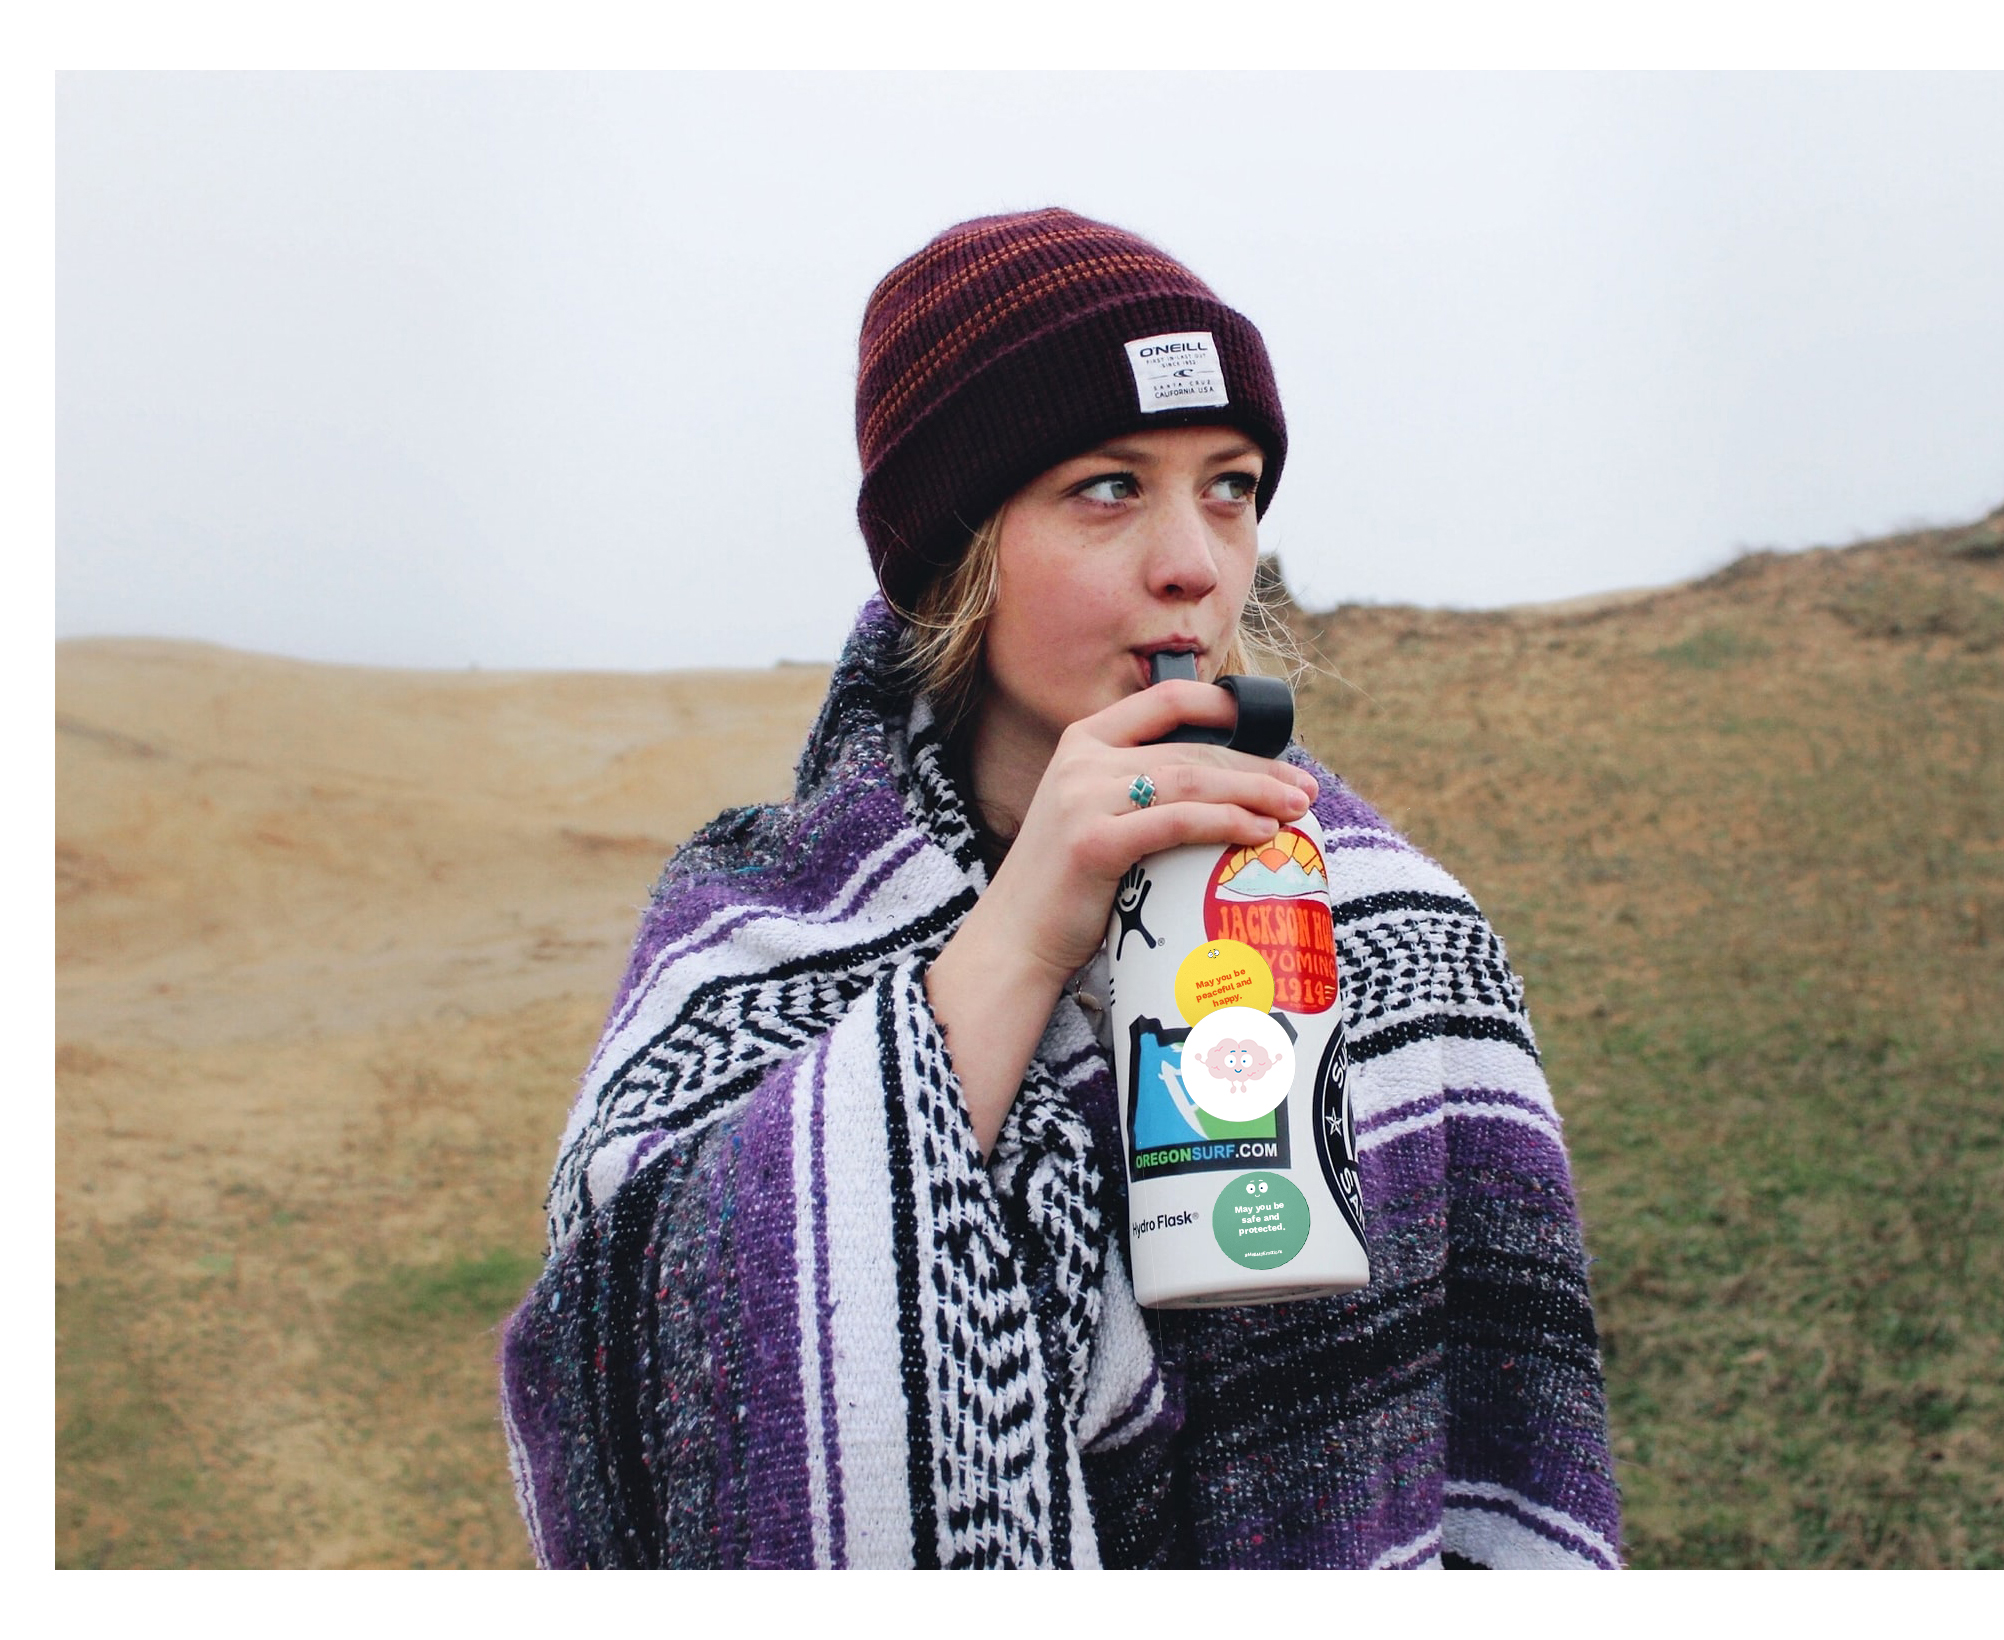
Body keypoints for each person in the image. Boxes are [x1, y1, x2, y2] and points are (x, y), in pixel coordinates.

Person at [499, 208, 1621, 1569]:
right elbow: (633, 1359)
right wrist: (1022, 936)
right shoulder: (762, 919)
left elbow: (1512, 1458)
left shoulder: (1399, 930)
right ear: (954, 554)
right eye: (1107, 486)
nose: (1194, 563)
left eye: (1230, 484)